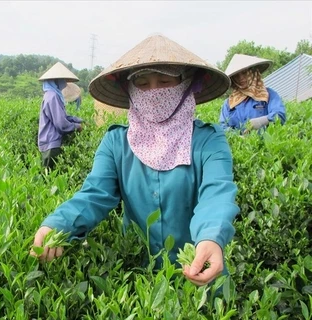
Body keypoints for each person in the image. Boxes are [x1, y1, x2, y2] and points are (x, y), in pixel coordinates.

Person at [30, 34, 240, 287]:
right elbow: (94, 194)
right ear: (129, 89)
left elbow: (217, 194)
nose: (154, 92)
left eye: (165, 81)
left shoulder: (208, 140)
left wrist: (210, 237)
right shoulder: (116, 142)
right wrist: (58, 224)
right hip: (138, 276)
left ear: (186, 85)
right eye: (142, 83)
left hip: (200, 269)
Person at [219, 54, 286, 133]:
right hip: (238, 144)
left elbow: (280, 115)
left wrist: (262, 121)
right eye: (237, 75)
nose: (241, 78)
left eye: (244, 73)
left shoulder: (269, 95)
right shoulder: (229, 103)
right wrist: (238, 137)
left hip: (266, 144)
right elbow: (223, 126)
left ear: (253, 72)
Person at [38, 62, 84, 170]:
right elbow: (61, 124)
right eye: (62, 79)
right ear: (56, 81)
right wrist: (77, 127)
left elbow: (62, 117)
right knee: (50, 179)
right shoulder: (52, 96)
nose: (64, 82)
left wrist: (77, 120)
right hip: (51, 144)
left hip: (50, 143)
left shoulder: (51, 95)